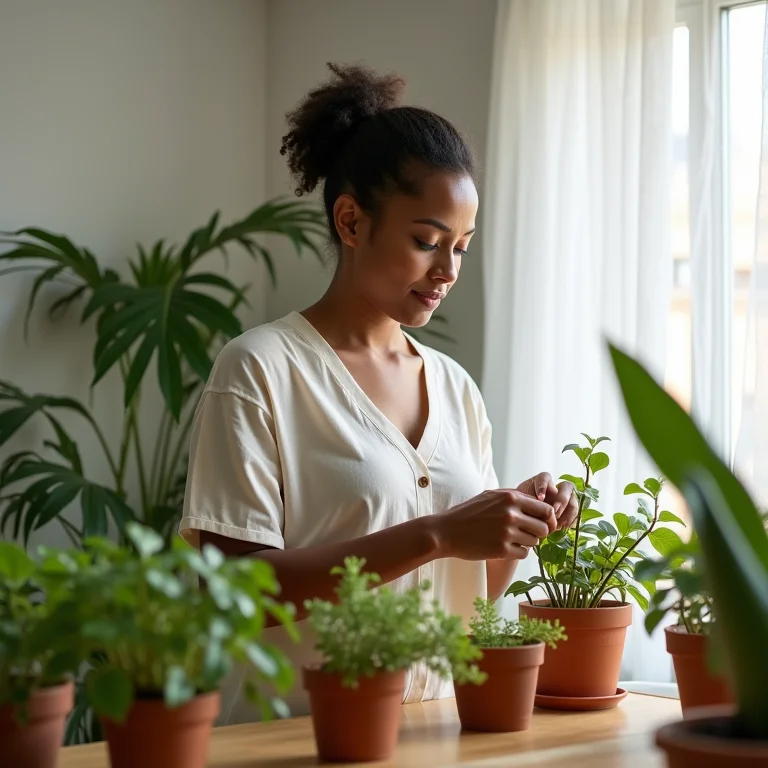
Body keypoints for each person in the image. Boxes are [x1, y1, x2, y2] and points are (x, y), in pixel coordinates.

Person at [179, 63, 578, 723]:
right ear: (351, 221)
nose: (447, 271)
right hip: (299, 740)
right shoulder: (260, 371)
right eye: (426, 241)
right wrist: (439, 533)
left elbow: (471, 593)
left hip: (441, 732)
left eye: (462, 248)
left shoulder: (455, 388)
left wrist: (517, 527)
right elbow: (234, 590)